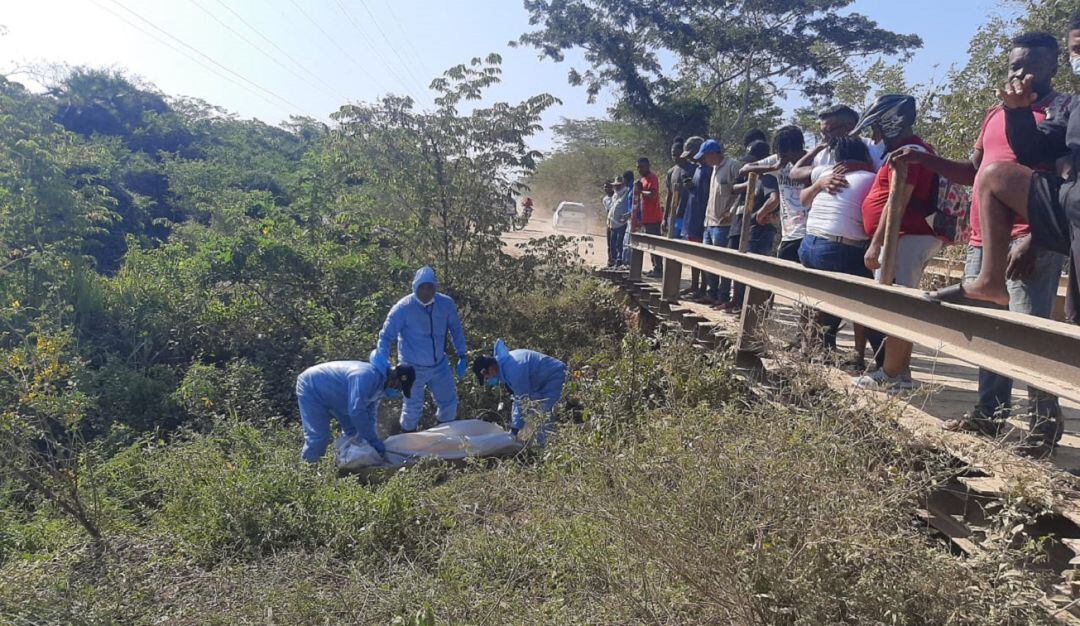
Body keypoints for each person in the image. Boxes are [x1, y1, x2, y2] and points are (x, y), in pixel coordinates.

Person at [892, 31, 1071, 444]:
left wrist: (1039, 238)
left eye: (1031, 65)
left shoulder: (1062, 111)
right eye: (1014, 65)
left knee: (1029, 333)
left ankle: (1043, 427)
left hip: (1030, 238)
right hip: (983, 240)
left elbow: (1065, 184)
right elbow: (976, 172)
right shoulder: (995, 113)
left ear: (1053, 68)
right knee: (987, 330)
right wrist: (926, 160)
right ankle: (990, 414)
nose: (1020, 72)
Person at [849, 94, 943, 392]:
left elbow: (897, 199)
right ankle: (900, 373)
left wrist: (877, 244)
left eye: (876, 128)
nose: (874, 137)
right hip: (904, 238)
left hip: (903, 239)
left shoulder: (909, 153)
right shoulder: (909, 151)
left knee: (897, 307)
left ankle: (890, 375)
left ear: (891, 124)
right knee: (900, 304)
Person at [797, 136, 885, 365]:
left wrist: (818, 184)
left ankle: (825, 349)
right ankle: (883, 360)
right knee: (869, 298)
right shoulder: (872, 178)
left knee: (833, 293)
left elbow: (799, 188)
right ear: (866, 157)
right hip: (835, 249)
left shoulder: (826, 174)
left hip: (807, 247)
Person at [376, 266, 468, 432]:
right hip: (412, 368)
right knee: (412, 409)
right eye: (422, 287)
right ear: (415, 287)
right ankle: (407, 448)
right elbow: (385, 337)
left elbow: (456, 329)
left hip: (439, 365)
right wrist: (384, 365)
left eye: (430, 287)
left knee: (449, 403)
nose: (426, 292)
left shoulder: (445, 304)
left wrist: (462, 354)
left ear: (435, 287)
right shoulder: (403, 308)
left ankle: (442, 439)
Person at [295, 353, 416, 462]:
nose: (397, 391)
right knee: (319, 437)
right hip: (312, 388)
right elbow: (356, 411)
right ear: (395, 378)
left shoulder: (380, 387)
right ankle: (308, 473)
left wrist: (371, 440)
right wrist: (372, 440)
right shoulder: (366, 376)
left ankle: (347, 466)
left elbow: (370, 414)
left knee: (355, 435)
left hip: (337, 394)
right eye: (399, 387)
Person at [472, 339, 567, 445]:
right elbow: (518, 398)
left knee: (543, 416)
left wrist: (515, 429)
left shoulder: (513, 369)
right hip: (541, 383)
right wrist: (515, 426)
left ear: (489, 369)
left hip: (554, 377)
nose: (488, 379)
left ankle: (547, 449)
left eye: (486, 377)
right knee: (535, 413)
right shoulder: (504, 367)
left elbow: (523, 399)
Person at [741, 125, 810, 262]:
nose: (783, 157)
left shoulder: (814, 159)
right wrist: (773, 167)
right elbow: (744, 170)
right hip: (789, 233)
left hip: (810, 232)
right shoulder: (777, 160)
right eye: (780, 153)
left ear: (796, 148)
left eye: (786, 153)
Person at [727, 140, 780, 310]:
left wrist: (760, 214)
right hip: (743, 227)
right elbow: (733, 187)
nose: (750, 164)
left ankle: (752, 309)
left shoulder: (768, 179)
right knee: (739, 267)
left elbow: (774, 199)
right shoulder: (751, 177)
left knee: (755, 271)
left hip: (758, 232)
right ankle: (738, 303)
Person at [790, 105, 886, 184]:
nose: (825, 137)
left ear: (850, 126)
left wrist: (861, 167)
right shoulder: (822, 153)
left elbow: (885, 181)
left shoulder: (873, 148)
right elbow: (795, 174)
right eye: (822, 133)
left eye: (829, 131)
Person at [698, 139, 743, 307]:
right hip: (709, 222)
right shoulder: (714, 169)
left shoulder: (733, 165)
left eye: (705, 156)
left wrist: (730, 212)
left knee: (722, 262)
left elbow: (742, 191)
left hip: (723, 225)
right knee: (709, 260)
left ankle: (723, 296)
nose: (704, 160)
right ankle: (712, 293)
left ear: (713, 153)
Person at [680, 136, 710, 299]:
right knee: (693, 255)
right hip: (691, 217)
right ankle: (694, 285)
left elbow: (706, 197)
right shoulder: (697, 169)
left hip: (700, 219)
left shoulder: (708, 170)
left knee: (702, 256)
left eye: (691, 153)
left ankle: (704, 288)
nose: (690, 157)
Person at [634, 157, 664, 277]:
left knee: (655, 243)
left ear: (648, 166)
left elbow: (652, 195)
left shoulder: (652, 178)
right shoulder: (643, 179)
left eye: (642, 167)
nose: (639, 169)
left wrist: (641, 191)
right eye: (638, 167)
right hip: (646, 218)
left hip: (653, 218)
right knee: (650, 245)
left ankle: (659, 269)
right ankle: (655, 267)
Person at [665, 138, 693, 240]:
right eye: (673, 155)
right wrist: (665, 218)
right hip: (674, 216)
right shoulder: (671, 172)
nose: (675, 157)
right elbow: (669, 195)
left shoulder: (693, 169)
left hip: (689, 216)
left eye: (678, 154)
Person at [604, 179, 627, 268]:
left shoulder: (625, 194)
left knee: (619, 243)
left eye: (618, 185)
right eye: (615, 185)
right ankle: (611, 261)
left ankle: (619, 261)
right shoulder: (611, 197)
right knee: (611, 244)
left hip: (620, 224)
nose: (616, 187)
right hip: (611, 223)